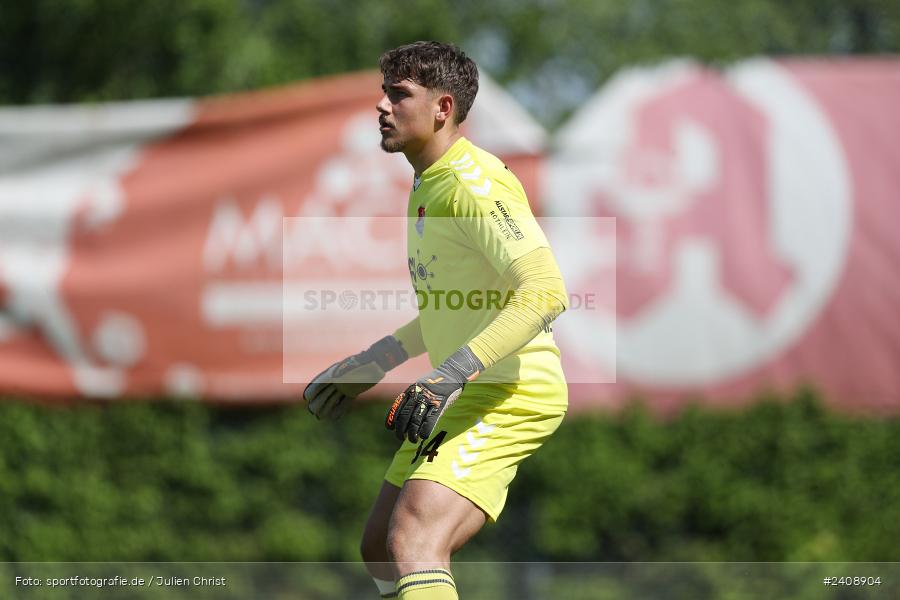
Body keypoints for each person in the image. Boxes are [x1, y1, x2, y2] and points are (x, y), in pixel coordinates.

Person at [304, 41, 569, 600]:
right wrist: (371, 362)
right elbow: (457, 309)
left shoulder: (474, 183)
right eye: (384, 93)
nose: (382, 106)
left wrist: (452, 372)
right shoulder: (430, 183)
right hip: (472, 387)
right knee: (380, 544)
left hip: (510, 393)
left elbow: (545, 291)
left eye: (399, 95)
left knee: (416, 538)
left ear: (443, 109)